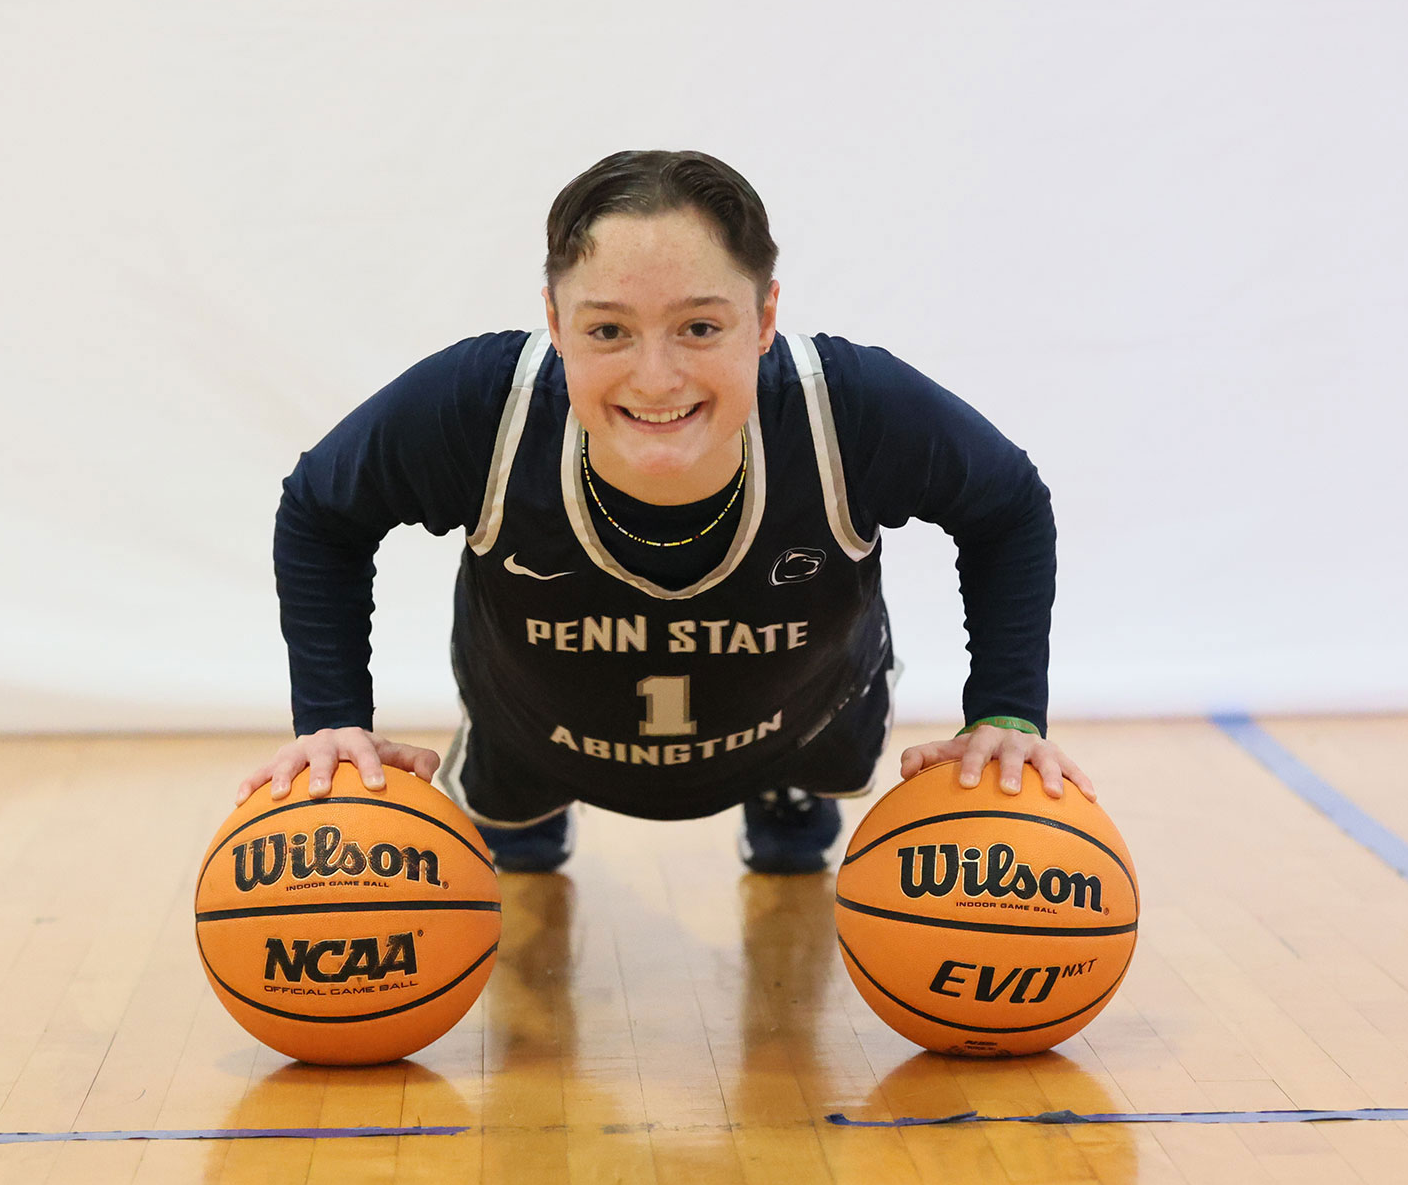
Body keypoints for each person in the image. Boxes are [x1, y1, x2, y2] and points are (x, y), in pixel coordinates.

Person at [239, 150, 1095, 873]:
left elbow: (1008, 508)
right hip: (539, 726)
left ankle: (782, 788)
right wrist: (332, 719)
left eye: (698, 328)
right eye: (608, 330)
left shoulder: (847, 408)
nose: (656, 377)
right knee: (516, 856)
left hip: (799, 719)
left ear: (763, 320)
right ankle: (526, 799)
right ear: (555, 322)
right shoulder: (482, 405)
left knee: (799, 845)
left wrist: (1007, 712)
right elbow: (321, 512)